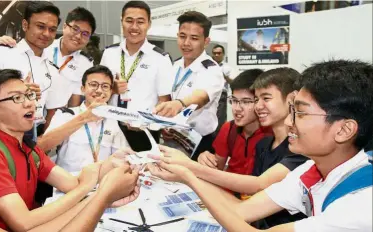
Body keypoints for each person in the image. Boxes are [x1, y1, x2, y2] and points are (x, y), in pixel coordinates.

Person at [149, 60, 373, 232]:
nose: (289, 122)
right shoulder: (311, 171)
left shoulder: (361, 204)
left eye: (300, 113)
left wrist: (189, 174)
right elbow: (240, 211)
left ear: (344, 130)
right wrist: (187, 175)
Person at [0, 69, 140, 231]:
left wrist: (110, 163)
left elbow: (71, 184)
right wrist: (96, 193)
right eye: (16, 98)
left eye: (29, 95)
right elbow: (23, 223)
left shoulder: (29, 149)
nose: (29, 103)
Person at [0, 6, 97, 130]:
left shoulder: (85, 63)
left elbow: (74, 99)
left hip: (51, 117)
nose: (78, 36)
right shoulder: (42, 45)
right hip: (11, 116)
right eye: (75, 29)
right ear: (64, 27)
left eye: (85, 34)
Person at [0, 1, 66, 132]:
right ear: (25, 25)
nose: (46, 34)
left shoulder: (52, 69)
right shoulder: (2, 52)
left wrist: (42, 143)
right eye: (41, 27)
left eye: (52, 29)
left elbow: (53, 111)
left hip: (33, 135)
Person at [100, 0, 173, 152]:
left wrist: (146, 123)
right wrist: (112, 89)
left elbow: (164, 101)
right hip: (108, 126)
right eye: (129, 21)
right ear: (122, 22)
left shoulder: (160, 58)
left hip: (142, 131)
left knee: (140, 172)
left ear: (149, 24)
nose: (134, 27)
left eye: (140, 22)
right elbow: (98, 91)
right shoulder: (109, 53)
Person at [0, 165, 140, 232]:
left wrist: (98, 198)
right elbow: (24, 223)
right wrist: (101, 197)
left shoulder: (26, 147)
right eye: (17, 97)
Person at [154, 11, 224, 161]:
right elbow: (167, 98)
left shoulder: (211, 69)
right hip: (173, 138)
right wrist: (165, 125)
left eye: (194, 38)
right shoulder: (176, 65)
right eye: (182, 36)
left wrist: (179, 104)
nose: (186, 43)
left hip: (200, 143)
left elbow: (201, 97)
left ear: (206, 41)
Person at [39, 65, 129, 172]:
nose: (99, 90)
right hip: (67, 183)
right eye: (93, 85)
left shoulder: (114, 121)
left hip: (102, 184)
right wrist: (84, 117)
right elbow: (42, 146)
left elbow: (121, 158)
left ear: (110, 91)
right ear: (82, 89)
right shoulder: (66, 115)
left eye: (105, 86)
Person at [197, 69, 271, 177]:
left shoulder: (274, 133)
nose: (236, 108)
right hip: (227, 190)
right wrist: (205, 160)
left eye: (245, 102)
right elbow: (216, 170)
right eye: (234, 100)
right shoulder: (229, 129)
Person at [211, 44, 233, 136]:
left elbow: (233, 82)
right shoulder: (208, 66)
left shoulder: (227, 68)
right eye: (214, 53)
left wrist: (224, 76)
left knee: (219, 122)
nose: (216, 55)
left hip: (221, 96)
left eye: (219, 53)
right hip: (208, 96)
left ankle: (216, 147)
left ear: (223, 54)